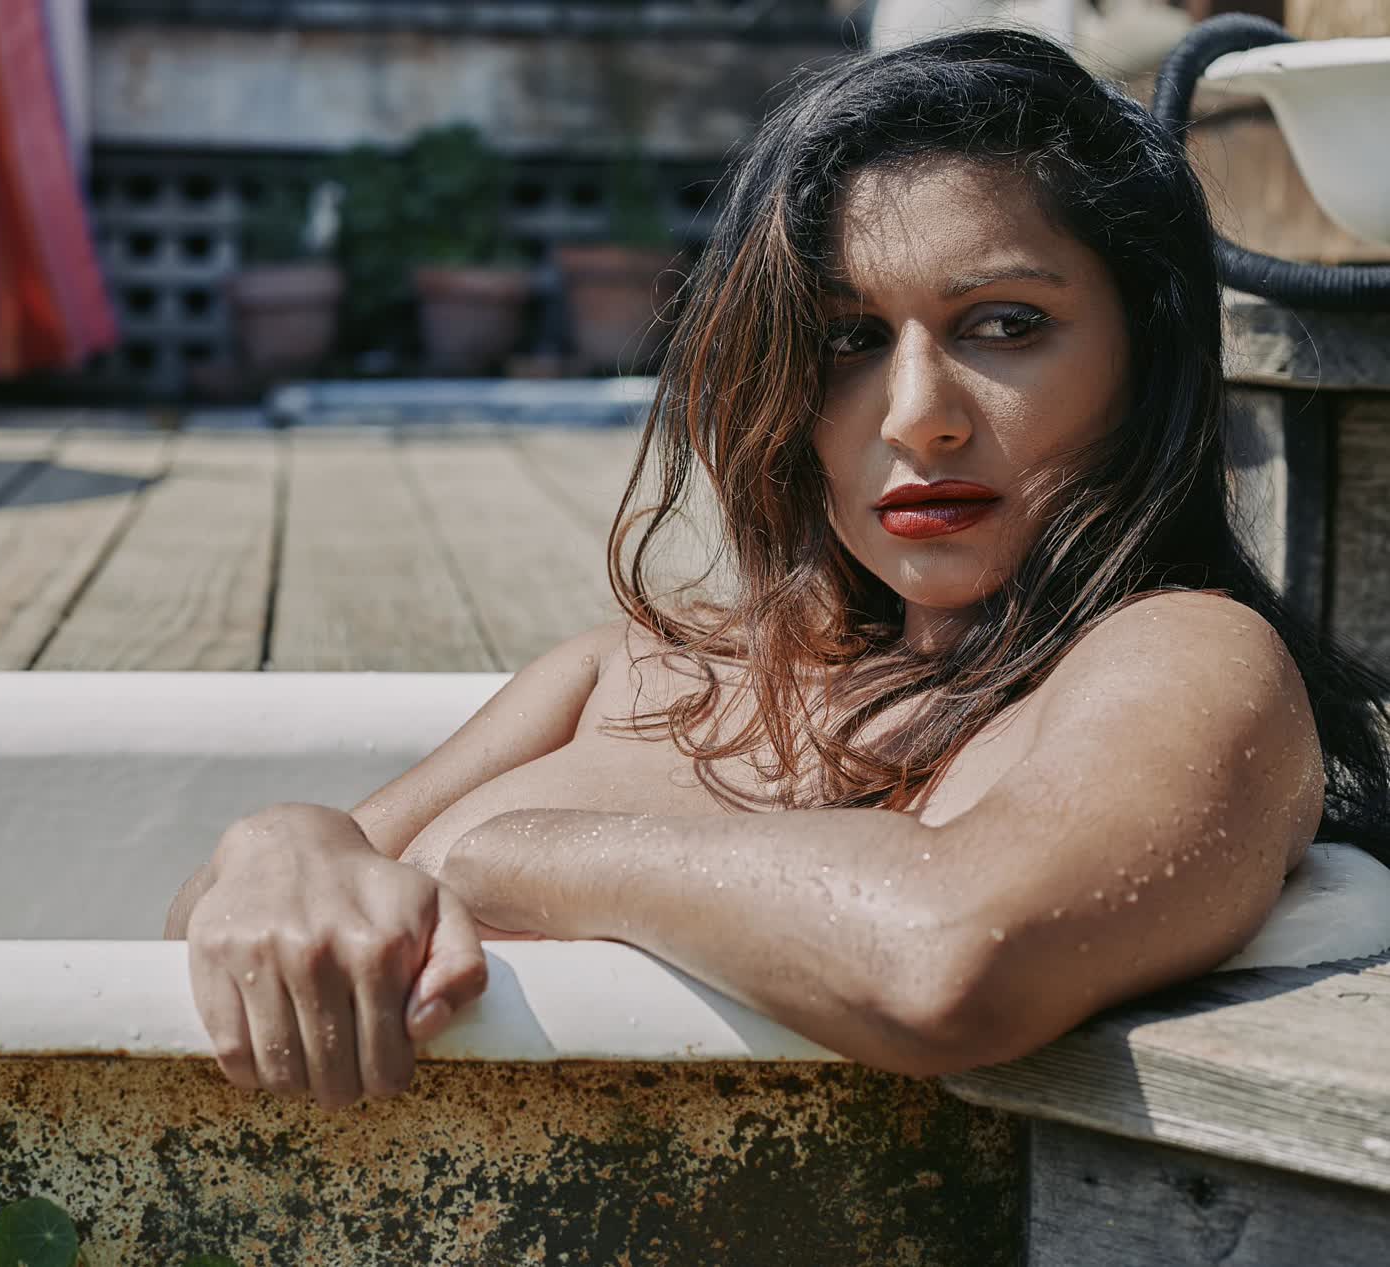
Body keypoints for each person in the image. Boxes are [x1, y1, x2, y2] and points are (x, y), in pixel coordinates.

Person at [163, 27, 1390, 1114]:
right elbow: (199, 937)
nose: (915, 416)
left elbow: (949, 959)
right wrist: (284, 840)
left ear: (1146, 355)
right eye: (847, 339)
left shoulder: (1183, 656)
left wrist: (503, 858)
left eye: (1005, 325)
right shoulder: (632, 666)